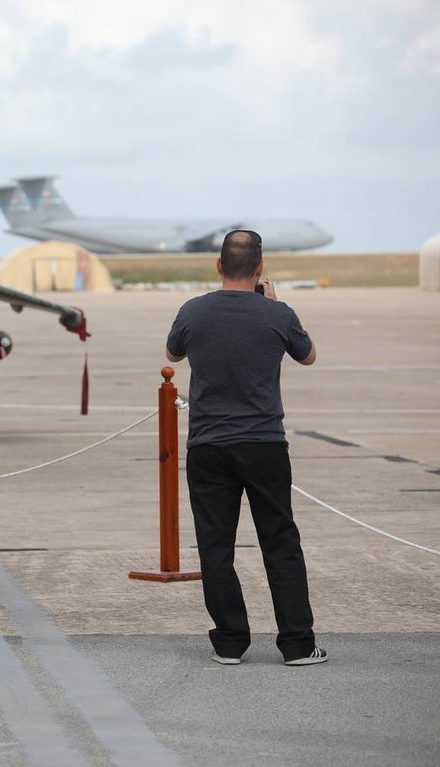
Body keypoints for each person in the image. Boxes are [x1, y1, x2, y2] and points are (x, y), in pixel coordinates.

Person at [165, 229, 327, 667]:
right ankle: (296, 643)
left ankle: (230, 642)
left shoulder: (193, 311)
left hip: (209, 444)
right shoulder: (277, 312)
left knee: (216, 545)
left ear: (218, 266)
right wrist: (273, 306)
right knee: (280, 542)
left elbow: (173, 353)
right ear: (260, 269)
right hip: (264, 444)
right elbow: (308, 356)